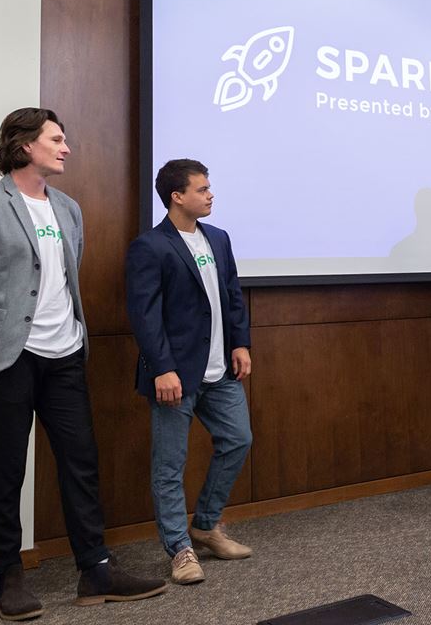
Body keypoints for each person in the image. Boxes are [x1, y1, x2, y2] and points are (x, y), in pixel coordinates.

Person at [0, 108, 166, 620]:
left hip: (65, 354)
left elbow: (64, 279)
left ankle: (96, 569)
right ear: (24, 146)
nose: (66, 148)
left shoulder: (68, 208)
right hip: (5, 361)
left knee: (81, 463)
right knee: (6, 467)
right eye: (56, 140)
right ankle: (9, 577)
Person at [125, 159, 253, 584]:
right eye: (202, 189)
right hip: (175, 377)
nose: (210, 194)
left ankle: (205, 525)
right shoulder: (151, 246)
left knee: (238, 440)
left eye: (209, 187)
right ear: (177, 196)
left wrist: (240, 342)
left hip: (220, 371)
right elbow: (145, 315)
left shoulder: (218, 238)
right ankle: (180, 550)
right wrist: (162, 368)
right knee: (169, 465)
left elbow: (233, 296)